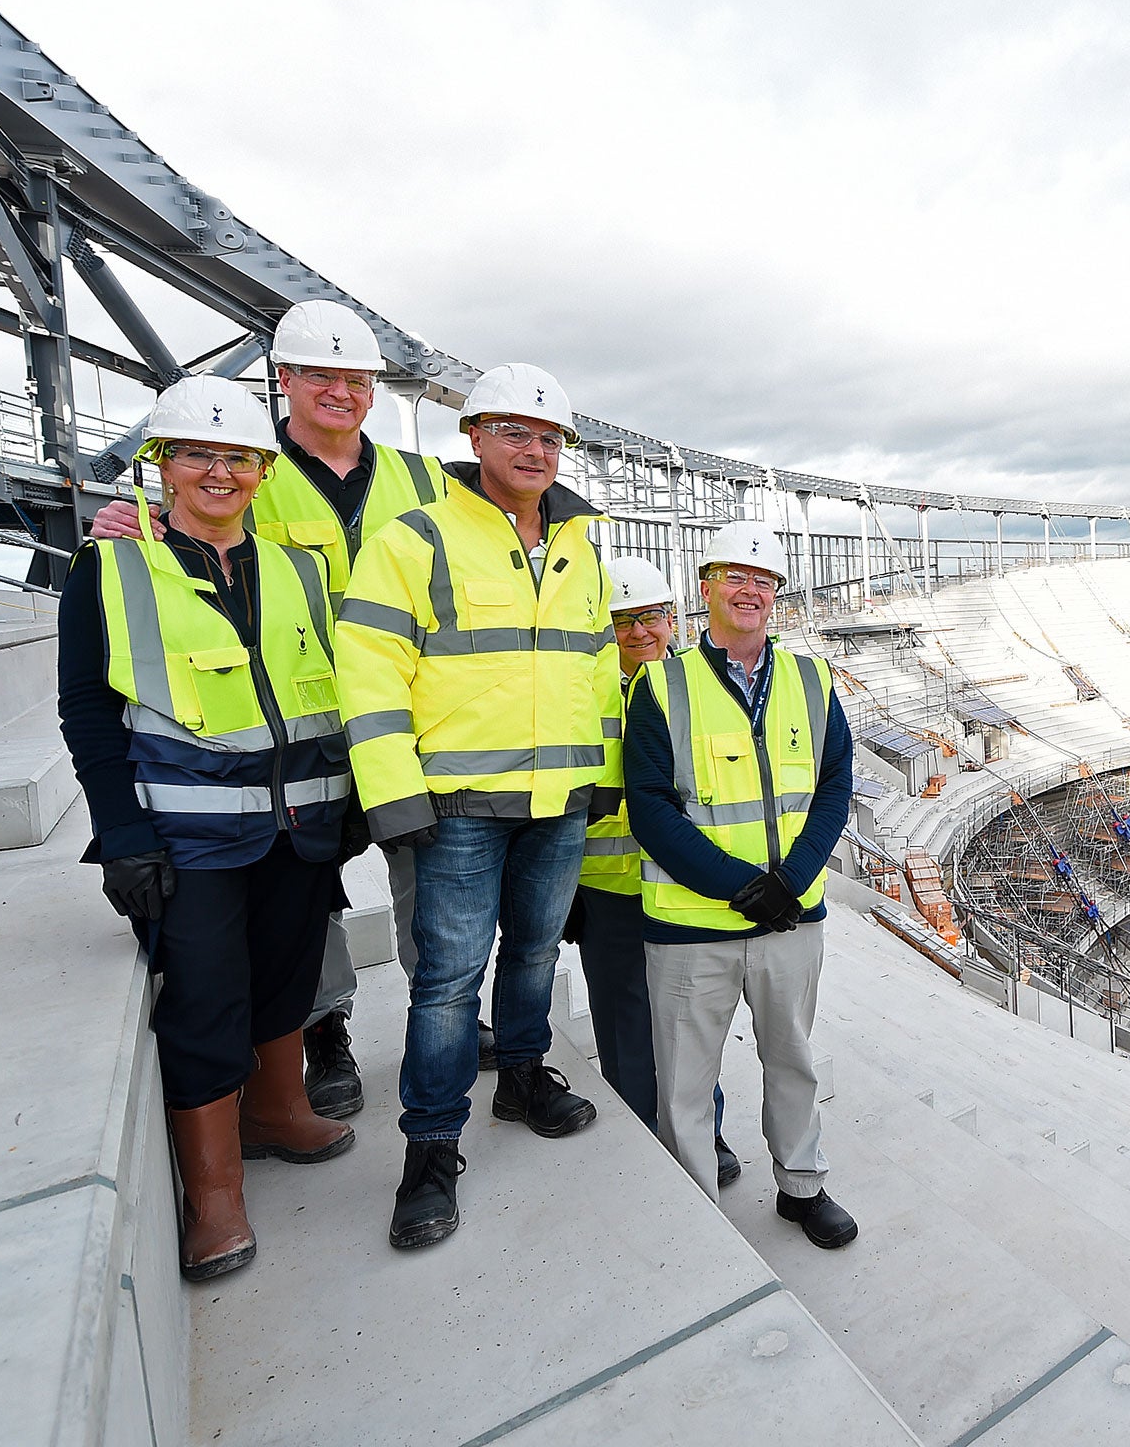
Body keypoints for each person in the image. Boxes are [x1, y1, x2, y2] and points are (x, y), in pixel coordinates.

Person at [89, 300, 452, 1122]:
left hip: (406, 714)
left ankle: (448, 1014)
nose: (338, 391)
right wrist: (131, 519)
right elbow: (196, 525)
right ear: (281, 379)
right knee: (307, 887)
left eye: (355, 379)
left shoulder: (424, 479)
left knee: (428, 876)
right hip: (302, 721)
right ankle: (324, 1031)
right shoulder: (246, 463)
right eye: (318, 375)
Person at [58, 376, 355, 1282]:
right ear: (162, 465)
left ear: (264, 471)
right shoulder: (111, 569)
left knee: (287, 977)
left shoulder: (302, 569)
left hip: (301, 822)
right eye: (197, 454)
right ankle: (216, 1194)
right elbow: (87, 712)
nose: (219, 473)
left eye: (238, 457)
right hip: (189, 837)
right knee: (203, 1002)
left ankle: (276, 1111)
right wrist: (122, 834)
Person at [338, 363, 619, 1251]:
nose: (534, 451)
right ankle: (429, 1151)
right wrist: (393, 792)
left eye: (548, 438)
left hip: (561, 796)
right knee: (449, 981)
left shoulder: (581, 546)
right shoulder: (414, 538)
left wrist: (600, 767)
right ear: (474, 438)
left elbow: (598, 663)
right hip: (456, 803)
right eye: (513, 433)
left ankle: (524, 1078)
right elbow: (371, 669)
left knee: (535, 951)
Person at [622, 520, 858, 1247]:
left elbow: (833, 786)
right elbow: (650, 807)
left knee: (792, 1061)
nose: (750, 590)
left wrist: (789, 880)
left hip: (792, 922)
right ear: (705, 586)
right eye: (734, 575)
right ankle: (701, 1219)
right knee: (686, 1083)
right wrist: (737, 886)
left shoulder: (812, 679)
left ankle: (802, 1186)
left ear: (777, 594)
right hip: (693, 930)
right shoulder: (662, 684)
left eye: (763, 580)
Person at [569, 555, 737, 1185]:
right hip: (610, 890)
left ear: (671, 618)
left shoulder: (698, 688)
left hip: (683, 886)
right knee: (624, 1023)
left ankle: (706, 1134)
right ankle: (643, 1137)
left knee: (694, 1023)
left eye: (649, 617)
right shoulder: (586, 696)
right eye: (622, 621)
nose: (639, 632)